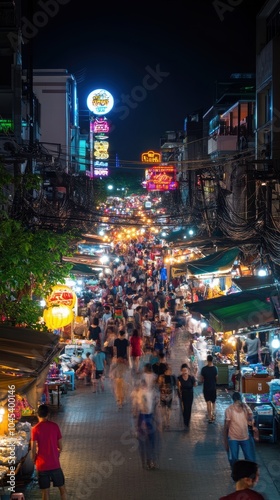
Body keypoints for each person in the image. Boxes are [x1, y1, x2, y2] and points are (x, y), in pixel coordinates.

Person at [31, 404, 67, 500]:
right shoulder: (55, 426)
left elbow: (33, 449)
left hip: (41, 466)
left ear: (38, 415)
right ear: (48, 415)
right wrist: (56, 453)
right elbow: (60, 446)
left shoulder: (35, 429)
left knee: (45, 492)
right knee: (62, 489)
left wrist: (34, 460)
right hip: (54, 464)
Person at [223, 392, 256, 468]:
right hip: (237, 438)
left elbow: (250, 418)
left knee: (238, 458)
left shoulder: (243, 408)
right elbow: (226, 425)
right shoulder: (230, 409)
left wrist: (225, 437)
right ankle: (239, 474)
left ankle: (241, 473)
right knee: (241, 459)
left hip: (239, 437)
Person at [177, 363, 197, 429]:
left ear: (188, 370)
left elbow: (195, 385)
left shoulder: (191, 378)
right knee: (184, 408)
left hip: (190, 395)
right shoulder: (179, 378)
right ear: (181, 371)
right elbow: (178, 387)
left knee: (189, 408)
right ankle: (185, 421)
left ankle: (187, 422)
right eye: (183, 370)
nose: (184, 372)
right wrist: (179, 395)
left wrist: (195, 376)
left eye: (185, 370)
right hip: (183, 395)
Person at [200, 354, 218, 423]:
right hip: (213, 387)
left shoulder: (203, 369)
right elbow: (216, 378)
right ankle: (213, 415)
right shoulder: (215, 368)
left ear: (207, 360)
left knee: (208, 402)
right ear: (212, 360)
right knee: (213, 402)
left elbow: (201, 380)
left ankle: (210, 418)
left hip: (206, 388)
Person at [158, 364, 176, 429]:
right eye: (169, 370)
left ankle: (167, 422)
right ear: (165, 371)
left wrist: (175, 396)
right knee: (163, 410)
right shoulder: (161, 377)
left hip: (170, 396)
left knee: (168, 410)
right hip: (162, 396)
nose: (170, 371)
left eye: (171, 370)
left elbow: (174, 386)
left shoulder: (173, 377)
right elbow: (159, 386)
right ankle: (164, 421)